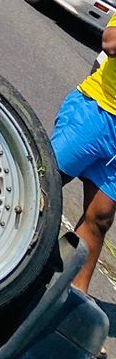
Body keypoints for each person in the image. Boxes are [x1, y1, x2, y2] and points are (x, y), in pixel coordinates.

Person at [51, 21, 116, 293]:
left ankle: (73, 298)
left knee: (100, 217)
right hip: (95, 112)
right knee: (44, 186)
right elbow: (110, 42)